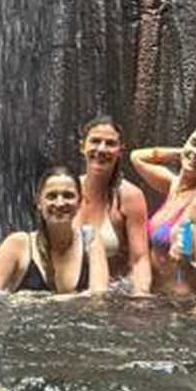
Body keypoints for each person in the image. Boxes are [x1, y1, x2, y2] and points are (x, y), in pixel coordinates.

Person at [130, 123, 196, 297]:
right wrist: (185, 153)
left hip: (175, 304)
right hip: (152, 297)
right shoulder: (173, 185)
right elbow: (136, 157)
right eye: (194, 142)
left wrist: (185, 262)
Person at [0, 166, 109, 295]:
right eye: (51, 196)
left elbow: (99, 298)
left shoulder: (90, 239)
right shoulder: (17, 245)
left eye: (68, 196)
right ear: (39, 202)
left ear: (80, 201)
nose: (60, 203)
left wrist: (36, 301)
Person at [74, 114, 151, 294]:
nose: (101, 149)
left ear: (120, 151)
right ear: (82, 146)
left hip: (111, 297)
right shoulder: (68, 192)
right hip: (69, 293)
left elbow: (139, 259)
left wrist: (141, 296)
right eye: (95, 141)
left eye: (110, 143)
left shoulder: (130, 196)